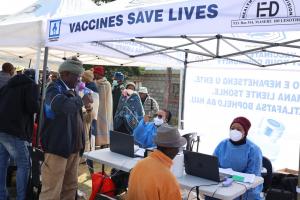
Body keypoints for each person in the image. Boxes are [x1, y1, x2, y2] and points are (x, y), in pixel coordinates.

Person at [40, 57, 93, 200]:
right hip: (58, 148)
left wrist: (86, 108)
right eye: (78, 76)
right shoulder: (53, 88)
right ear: (65, 74)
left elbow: (74, 114)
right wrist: (81, 101)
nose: (80, 80)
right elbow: (60, 106)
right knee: (52, 190)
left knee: (70, 187)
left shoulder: (72, 90)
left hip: (73, 147)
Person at [0, 68, 39, 200]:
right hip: (15, 130)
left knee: (2, 163)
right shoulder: (31, 85)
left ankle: (2, 195)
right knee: (24, 164)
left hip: (2, 128)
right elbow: (33, 107)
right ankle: (21, 197)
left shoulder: (7, 85)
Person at [208, 116, 263, 200]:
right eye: (232, 128)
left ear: (245, 132)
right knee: (209, 195)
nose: (235, 131)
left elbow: (251, 178)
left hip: (245, 191)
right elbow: (212, 164)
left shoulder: (253, 150)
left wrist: (231, 177)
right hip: (223, 184)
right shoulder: (223, 144)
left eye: (238, 129)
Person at [127, 124, 186, 200]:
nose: (178, 150)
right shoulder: (168, 179)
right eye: (178, 147)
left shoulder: (139, 164)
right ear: (170, 149)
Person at [81, 70, 100, 174]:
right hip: (90, 114)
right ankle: (86, 158)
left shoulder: (90, 88)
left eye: (83, 77)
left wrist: (86, 111)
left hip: (88, 115)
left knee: (87, 139)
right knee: (88, 138)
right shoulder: (90, 86)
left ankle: (87, 159)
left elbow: (91, 103)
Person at [93, 66, 113, 147]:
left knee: (103, 126)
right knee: (98, 126)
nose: (94, 75)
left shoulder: (106, 84)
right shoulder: (95, 83)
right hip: (97, 108)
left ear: (98, 74)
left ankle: (103, 143)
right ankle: (97, 142)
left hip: (105, 109)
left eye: (95, 73)